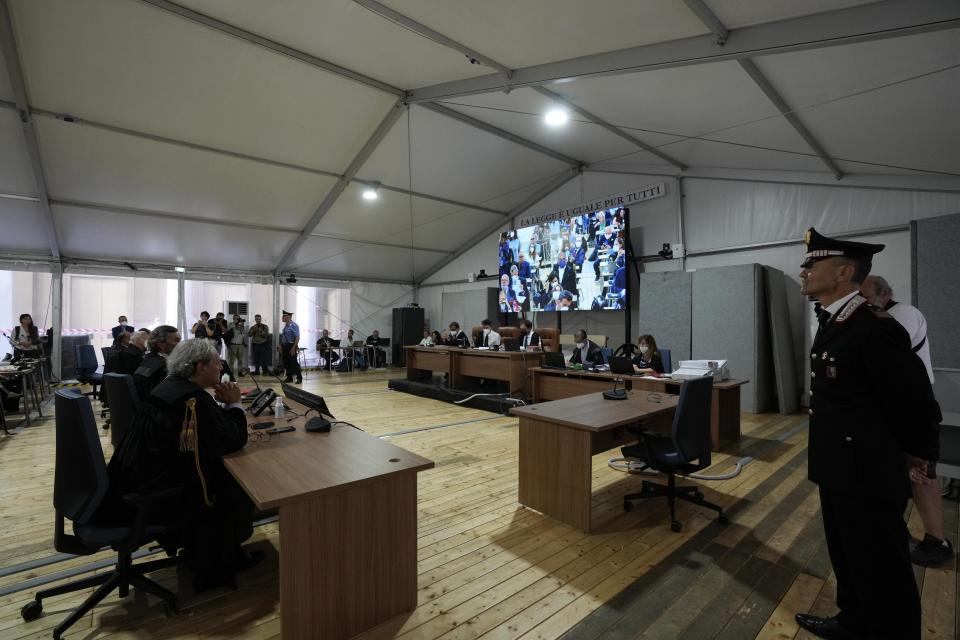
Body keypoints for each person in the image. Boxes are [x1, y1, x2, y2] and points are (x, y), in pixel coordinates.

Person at [793, 228, 941, 640]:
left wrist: (919, 453)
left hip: (868, 471)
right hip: (838, 466)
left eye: (812, 263)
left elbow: (913, 399)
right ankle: (854, 621)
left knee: (882, 563)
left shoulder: (875, 328)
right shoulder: (836, 322)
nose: (803, 271)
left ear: (843, 272)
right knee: (848, 555)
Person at [108, 339, 260, 592]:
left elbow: (203, 432)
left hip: (135, 482)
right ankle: (223, 560)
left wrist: (219, 407)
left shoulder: (169, 387)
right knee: (237, 484)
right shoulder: (193, 400)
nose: (220, 368)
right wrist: (234, 404)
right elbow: (232, 439)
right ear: (200, 367)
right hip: (163, 495)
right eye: (216, 363)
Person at [861, 275, 951, 568]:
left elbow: (887, 356)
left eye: (864, 296)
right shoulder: (878, 315)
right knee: (894, 475)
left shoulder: (903, 314)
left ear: (884, 295)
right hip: (891, 408)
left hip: (913, 408)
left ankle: (937, 541)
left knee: (923, 474)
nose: (859, 302)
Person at [133, 325, 180, 399]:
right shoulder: (166, 367)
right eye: (176, 340)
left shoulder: (147, 359)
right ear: (161, 344)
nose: (180, 344)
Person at [279, 310, 302, 384]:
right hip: (285, 346)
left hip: (291, 346)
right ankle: (289, 378)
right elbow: (284, 337)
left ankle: (299, 378)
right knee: (286, 362)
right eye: (282, 316)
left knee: (294, 363)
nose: (282, 317)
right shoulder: (286, 326)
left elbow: (297, 337)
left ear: (288, 317)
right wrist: (281, 345)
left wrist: (293, 348)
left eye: (284, 316)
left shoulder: (294, 325)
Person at [222, 315, 248, 379]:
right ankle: (230, 372)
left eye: (238, 319)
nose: (237, 320)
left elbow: (242, 332)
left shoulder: (241, 325)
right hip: (233, 345)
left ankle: (240, 372)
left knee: (240, 360)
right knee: (231, 360)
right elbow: (226, 332)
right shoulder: (231, 325)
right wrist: (235, 324)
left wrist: (241, 324)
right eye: (236, 319)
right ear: (233, 319)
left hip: (241, 345)